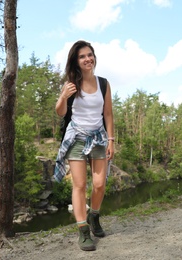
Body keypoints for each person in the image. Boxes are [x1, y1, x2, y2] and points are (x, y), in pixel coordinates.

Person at [54, 40, 115, 251]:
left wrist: (111, 140)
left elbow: (107, 114)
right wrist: (63, 96)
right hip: (77, 138)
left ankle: (94, 216)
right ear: (76, 61)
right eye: (82, 56)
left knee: (99, 184)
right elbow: (61, 112)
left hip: (98, 137)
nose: (87, 59)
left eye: (90, 54)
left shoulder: (104, 84)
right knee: (79, 185)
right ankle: (83, 231)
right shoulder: (71, 84)